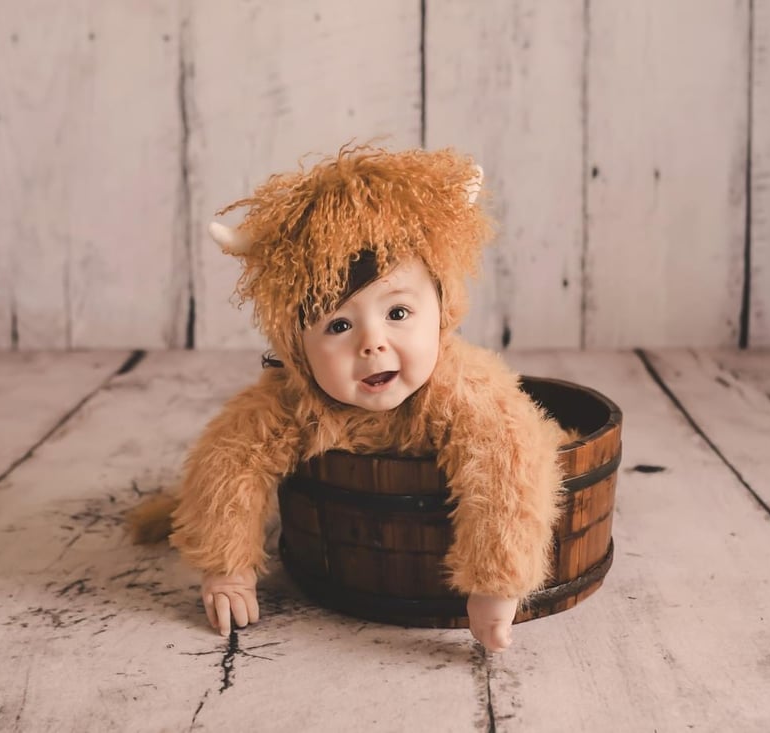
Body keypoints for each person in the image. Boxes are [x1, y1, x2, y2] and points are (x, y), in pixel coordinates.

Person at [133, 145, 565, 652]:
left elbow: (508, 469)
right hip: (340, 568)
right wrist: (225, 570)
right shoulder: (293, 401)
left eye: (398, 314)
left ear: (442, 311)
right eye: (338, 325)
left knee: (520, 445)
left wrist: (496, 583)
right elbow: (228, 465)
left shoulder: (463, 389)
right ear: (296, 345)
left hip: (448, 564)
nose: (372, 343)